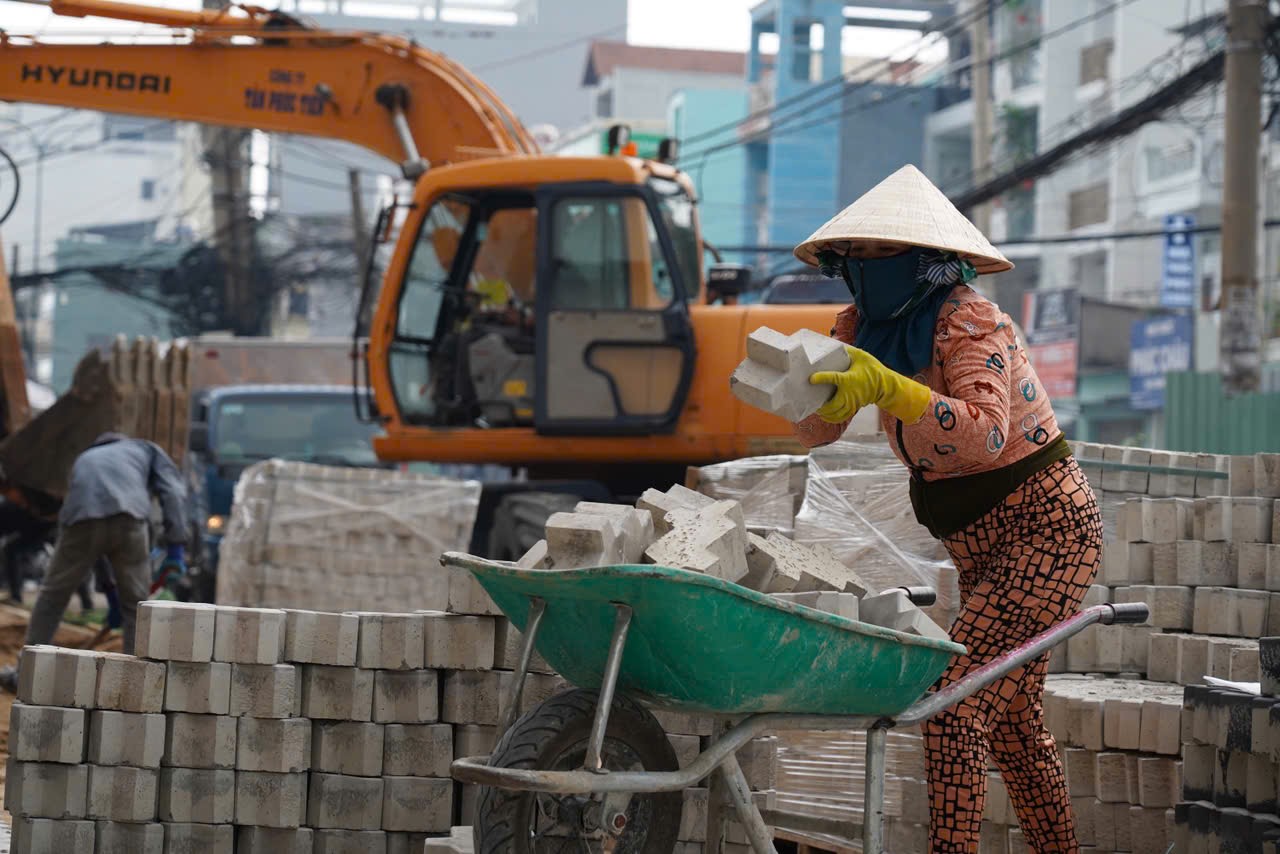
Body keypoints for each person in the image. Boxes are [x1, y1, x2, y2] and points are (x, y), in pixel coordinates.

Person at [791, 165, 1101, 853]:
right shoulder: (857, 325)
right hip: (975, 542)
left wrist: (892, 390)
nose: (869, 270)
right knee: (1014, 724)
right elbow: (815, 432)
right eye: (858, 257)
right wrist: (807, 392)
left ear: (928, 260)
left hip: (1046, 526)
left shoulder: (970, 319)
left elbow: (987, 432)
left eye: (884, 255)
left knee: (954, 708)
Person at [2, 433, 188, 668]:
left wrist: (111, 593)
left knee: (52, 597)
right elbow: (172, 492)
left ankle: (24, 673)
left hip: (78, 519)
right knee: (136, 608)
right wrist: (176, 548)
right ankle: (134, 682)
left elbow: (95, 540)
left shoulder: (86, 457)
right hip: (129, 517)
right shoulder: (148, 450)